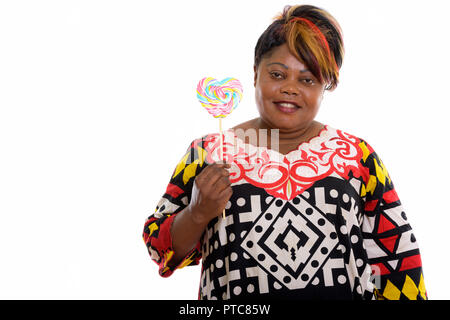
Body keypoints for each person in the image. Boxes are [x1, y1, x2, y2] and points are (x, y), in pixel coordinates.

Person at [142, 4, 427, 300]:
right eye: (278, 74)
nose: (290, 88)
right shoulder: (208, 152)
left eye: (307, 80)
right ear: (255, 73)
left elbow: (399, 259)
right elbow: (158, 248)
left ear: (324, 87)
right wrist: (197, 213)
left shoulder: (357, 155)